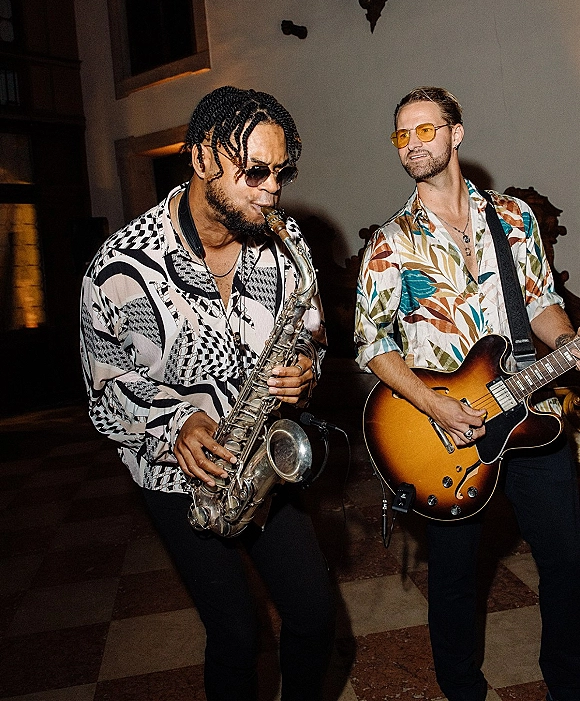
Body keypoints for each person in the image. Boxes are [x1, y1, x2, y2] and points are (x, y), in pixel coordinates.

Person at [80, 86, 335, 701]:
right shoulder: (120, 270)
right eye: (254, 172)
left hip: (261, 456)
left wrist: (305, 371)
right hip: (178, 478)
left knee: (315, 616)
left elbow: (312, 338)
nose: (271, 191)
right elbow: (104, 390)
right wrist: (177, 424)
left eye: (280, 174)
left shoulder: (287, 247)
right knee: (236, 635)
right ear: (200, 157)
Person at [354, 86, 580, 701]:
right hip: (444, 436)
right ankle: (463, 691)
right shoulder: (391, 241)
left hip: (530, 412)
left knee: (568, 561)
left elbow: (541, 302)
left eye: (425, 129)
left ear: (456, 134)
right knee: (454, 579)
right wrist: (435, 404)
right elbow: (372, 343)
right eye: (402, 134)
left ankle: (568, 682)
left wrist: (568, 344)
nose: (412, 143)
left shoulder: (514, 217)